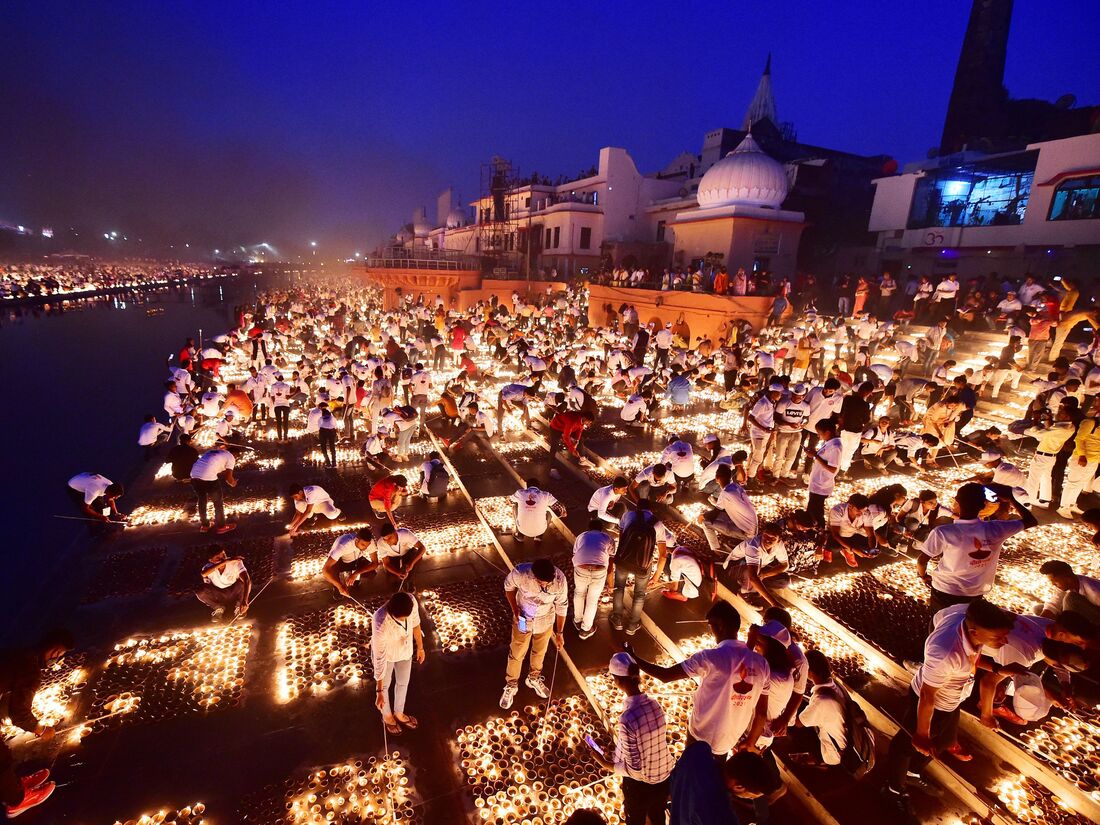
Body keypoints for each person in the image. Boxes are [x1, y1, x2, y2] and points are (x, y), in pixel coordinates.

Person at [882, 599, 1017, 821]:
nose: (1004, 642)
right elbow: (927, 695)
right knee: (906, 745)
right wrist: (922, 733)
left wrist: (997, 668)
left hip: (953, 697)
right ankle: (893, 789)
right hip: (935, 701)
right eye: (997, 638)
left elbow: (965, 651)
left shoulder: (963, 614)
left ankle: (912, 773)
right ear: (974, 631)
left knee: (945, 741)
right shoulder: (944, 652)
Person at [626, 600, 770, 757]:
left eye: (711, 626)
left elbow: (665, 675)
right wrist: (750, 743)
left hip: (701, 734)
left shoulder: (710, 658)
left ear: (719, 626)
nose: (711, 631)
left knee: (690, 772)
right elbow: (761, 713)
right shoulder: (762, 664)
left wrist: (633, 657)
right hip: (729, 740)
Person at [917, 483, 1037, 614]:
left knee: (942, 625)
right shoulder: (997, 529)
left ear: (956, 501)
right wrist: (1012, 500)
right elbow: (1031, 521)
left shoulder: (943, 532)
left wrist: (923, 576)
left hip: (945, 590)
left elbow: (922, 561)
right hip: (975, 592)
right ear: (983, 505)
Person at [585, 653, 674, 825]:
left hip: (642, 786)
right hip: (664, 777)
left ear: (617, 681)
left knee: (636, 819)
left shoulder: (627, 718)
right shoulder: (655, 704)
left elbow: (635, 770)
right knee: (657, 815)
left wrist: (605, 763)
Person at [0, 630, 72, 818]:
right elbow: (19, 714)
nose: (58, 660)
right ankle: (16, 800)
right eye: (61, 655)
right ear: (55, 651)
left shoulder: (20, 653)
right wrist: (41, 730)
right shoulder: (30, 668)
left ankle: (13, 785)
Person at [500, 558, 568, 709]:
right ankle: (511, 684)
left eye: (547, 583)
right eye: (540, 582)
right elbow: (508, 587)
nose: (544, 586)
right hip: (523, 618)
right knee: (517, 652)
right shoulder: (521, 573)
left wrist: (559, 633)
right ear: (533, 574)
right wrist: (515, 610)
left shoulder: (560, 579)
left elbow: (562, 606)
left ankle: (533, 678)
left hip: (546, 619)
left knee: (540, 652)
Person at [610, 500, 669, 635]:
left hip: (624, 561)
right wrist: (656, 576)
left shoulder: (628, 515)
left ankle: (617, 619)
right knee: (639, 594)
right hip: (643, 565)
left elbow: (622, 537)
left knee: (619, 587)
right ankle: (632, 624)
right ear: (651, 510)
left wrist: (619, 558)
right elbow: (663, 555)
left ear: (637, 508)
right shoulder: (658, 524)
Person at [372, 592, 425, 736]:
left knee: (403, 682)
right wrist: (379, 692)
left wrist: (420, 647)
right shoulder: (379, 622)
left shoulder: (411, 601)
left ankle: (399, 712)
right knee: (385, 686)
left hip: (405, 651)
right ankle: (387, 716)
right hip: (387, 655)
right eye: (400, 619)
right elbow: (379, 658)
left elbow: (416, 624)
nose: (404, 621)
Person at [791, 649, 848, 767]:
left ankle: (818, 758)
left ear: (810, 672)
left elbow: (798, 723)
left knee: (791, 724)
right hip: (843, 737)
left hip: (835, 753)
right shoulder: (837, 686)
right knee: (803, 708)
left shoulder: (822, 700)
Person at [722, 523, 789, 606]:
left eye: (773, 538)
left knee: (784, 580)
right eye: (766, 536)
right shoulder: (753, 547)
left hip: (758, 569)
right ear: (762, 534)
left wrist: (764, 575)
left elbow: (785, 565)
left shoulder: (779, 545)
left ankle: (754, 587)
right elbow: (753, 576)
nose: (768, 540)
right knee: (752, 575)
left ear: (778, 540)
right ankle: (743, 593)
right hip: (734, 567)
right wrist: (774, 603)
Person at [700, 464, 758, 554]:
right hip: (752, 526)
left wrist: (702, 516)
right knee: (710, 514)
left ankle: (717, 550)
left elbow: (713, 516)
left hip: (747, 533)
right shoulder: (735, 486)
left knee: (705, 522)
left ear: (716, 478)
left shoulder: (726, 493)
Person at [572, 519, 615, 639]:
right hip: (599, 570)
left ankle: (577, 620)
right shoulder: (608, 538)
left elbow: (575, 552)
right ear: (601, 529)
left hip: (581, 567)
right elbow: (611, 561)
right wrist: (610, 584)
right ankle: (585, 630)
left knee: (579, 593)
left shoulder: (582, 536)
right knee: (592, 599)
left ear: (589, 528)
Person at [1058, 406, 1100, 518]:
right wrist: (1082, 455)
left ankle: (1071, 504)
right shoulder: (1090, 423)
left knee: (1081, 483)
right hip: (1082, 459)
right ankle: (1063, 507)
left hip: (1094, 460)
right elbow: (1079, 439)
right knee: (1073, 482)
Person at [189, 448, 238, 534]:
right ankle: (221, 527)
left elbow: (209, 464)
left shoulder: (213, 452)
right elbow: (228, 478)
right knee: (218, 503)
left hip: (194, 475)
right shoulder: (231, 457)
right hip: (209, 478)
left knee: (202, 500)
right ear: (235, 455)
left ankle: (205, 526)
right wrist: (233, 483)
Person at [196, 548, 252, 622]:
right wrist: (225, 561)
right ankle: (218, 608)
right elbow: (204, 574)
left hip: (234, 590)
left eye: (223, 555)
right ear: (211, 560)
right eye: (217, 557)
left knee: (243, 583)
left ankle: (239, 606)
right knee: (200, 591)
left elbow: (246, 580)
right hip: (220, 594)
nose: (222, 558)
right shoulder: (208, 568)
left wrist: (245, 601)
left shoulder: (235, 562)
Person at [1037, 560, 1100, 625]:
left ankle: (1066, 630)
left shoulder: (1094, 590)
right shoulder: (1063, 586)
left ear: (1067, 577)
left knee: (1071, 599)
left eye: (1055, 581)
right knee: (1038, 609)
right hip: (1080, 616)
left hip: (1095, 621)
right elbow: (1053, 605)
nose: (1053, 584)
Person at [824, 494, 878, 568]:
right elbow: (835, 534)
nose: (861, 514)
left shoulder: (866, 513)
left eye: (864, 511)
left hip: (851, 534)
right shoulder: (838, 510)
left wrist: (872, 550)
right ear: (850, 506)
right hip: (836, 535)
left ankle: (847, 550)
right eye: (858, 511)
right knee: (834, 547)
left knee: (868, 546)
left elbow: (871, 534)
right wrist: (853, 549)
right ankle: (829, 548)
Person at [322, 527, 379, 598]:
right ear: (357, 540)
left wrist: (356, 573)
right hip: (340, 561)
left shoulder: (370, 542)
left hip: (356, 559)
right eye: (363, 545)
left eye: (367, 546)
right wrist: (339, 586)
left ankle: (354, 578)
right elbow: (325, 570)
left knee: (371, 573)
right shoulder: (343, 545)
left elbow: (375, 563)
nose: (365, 548)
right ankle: (338, 586)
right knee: (332, 573)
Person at [805, 417, 841, 527]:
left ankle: (818, 530)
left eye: (819, 433)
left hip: (821, 485)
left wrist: (815, 456)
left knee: (815, 512)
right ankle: (813, 528)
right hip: (818, 483)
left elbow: (833, 468)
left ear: (828, 432)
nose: (818, 436)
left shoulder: (835, 447)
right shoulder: (829, 442)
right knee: (813, 510)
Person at [512, 479, 565, 544]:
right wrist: (563, 512)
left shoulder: (520, 493)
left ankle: (519, 535)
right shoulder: (546, 495)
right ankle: (539, 536)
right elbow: (559, 507)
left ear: (527, 486)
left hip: (522, 529)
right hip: (540, 530)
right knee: (548, 514)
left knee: (515, 507)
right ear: (538, 487)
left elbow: (512, 499)